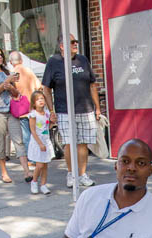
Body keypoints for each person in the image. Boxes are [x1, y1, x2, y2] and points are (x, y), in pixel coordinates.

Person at [42, 33, 101, 188]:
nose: (76, 44)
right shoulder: (54, 62)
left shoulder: (83, 60)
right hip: (64, 110)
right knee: (69, 143)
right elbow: (46, 89)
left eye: (76, 41)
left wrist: (97, 108)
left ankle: (82, 174)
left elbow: (92, 85)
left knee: (83, 143)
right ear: (62, 46)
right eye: (72, 42)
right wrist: (51, 110)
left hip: (85, 109)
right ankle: (71, 174)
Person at [0, 46, 32, 184]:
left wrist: (11, 87)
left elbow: (16, 93)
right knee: (1, 141)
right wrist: (6, 82)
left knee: (18, 140)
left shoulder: (6, 72)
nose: (0, 57)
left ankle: (26, 171)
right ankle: (4, 172)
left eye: (1, 55)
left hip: (10, 110)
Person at [9, 50, 41, 151]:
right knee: (36, 133)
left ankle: (30, 156)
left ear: (11, 62)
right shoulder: (28, 71)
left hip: (21, 110)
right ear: (21, 60)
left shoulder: (12, 75)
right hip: (33, 108)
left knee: (26, 136)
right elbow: (39, 87)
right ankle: (38, 155)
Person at [28, 90, 54, 195]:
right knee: (39, 165)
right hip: (37, 142)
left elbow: (47, 127)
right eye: (38, 99)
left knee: (45, 165)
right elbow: (33, 131)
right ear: (34, 103)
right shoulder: (33, 115)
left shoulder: (47, 113)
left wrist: (52, 122)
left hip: (46, 140)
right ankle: (34, 181)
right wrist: (40, 144)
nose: (40, 101)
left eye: (42, 98)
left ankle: (43, 184)